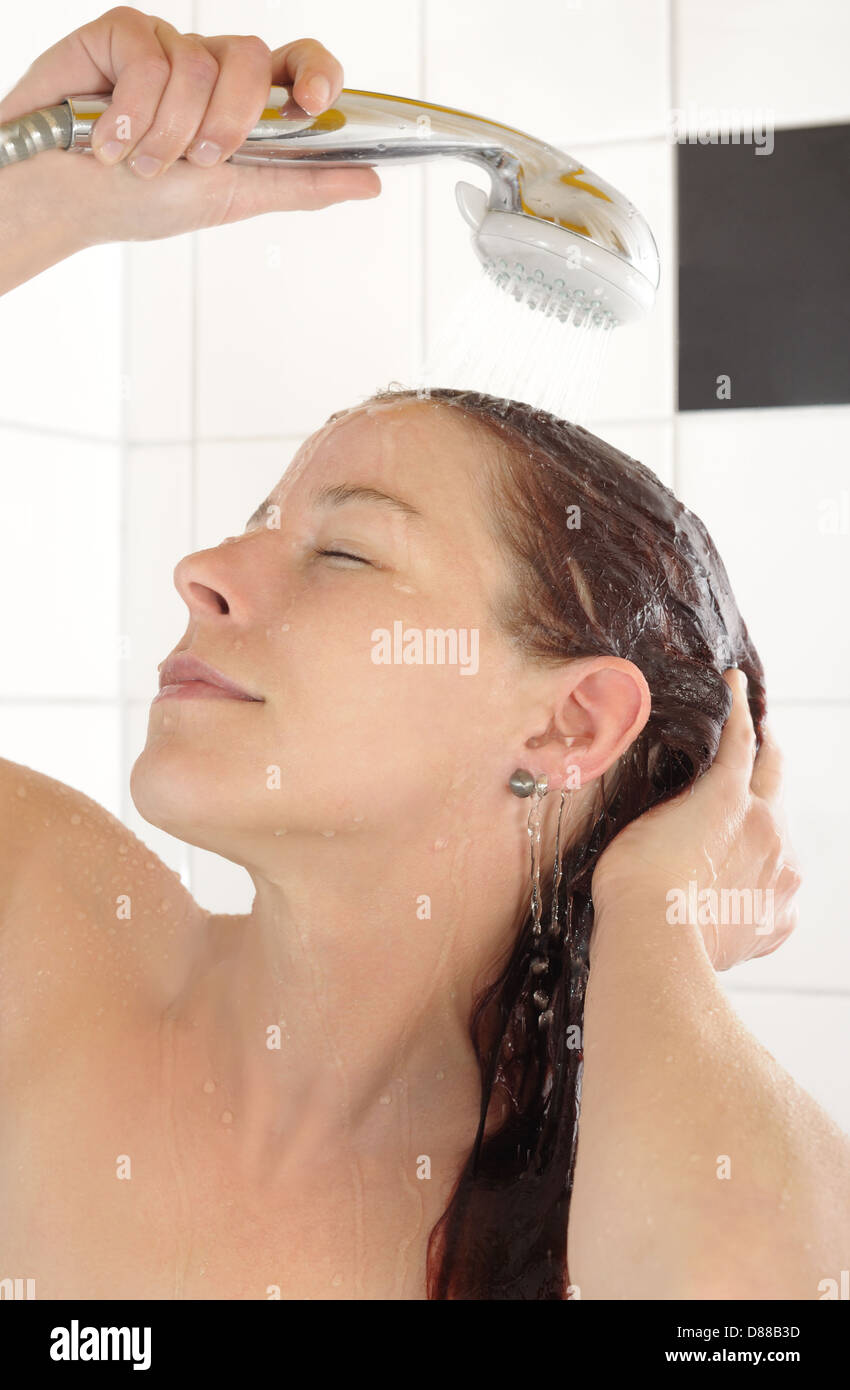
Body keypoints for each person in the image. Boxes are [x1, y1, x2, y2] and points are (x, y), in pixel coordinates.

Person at [1, 8, 847, 1301]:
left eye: (344, 554)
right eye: (254, 527)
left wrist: (652, 926)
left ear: (567, 726)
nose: (203, 573)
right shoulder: (48, 929)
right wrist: (36, 201)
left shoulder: (603, 1208)